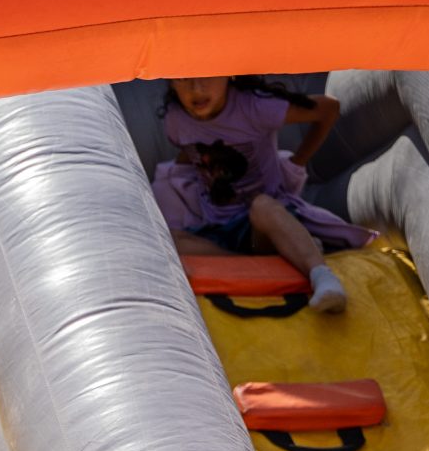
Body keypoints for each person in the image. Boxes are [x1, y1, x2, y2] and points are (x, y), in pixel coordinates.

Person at [156, 75, 371, 315]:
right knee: (166, 240)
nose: (196, 89)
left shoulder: (254, 108)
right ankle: (272, 259)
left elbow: (329, 109)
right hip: (218, 228)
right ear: (171, 82)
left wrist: (297, 163)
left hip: (263, 226)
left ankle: (322, 277)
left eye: (207, 77)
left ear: (229, 75)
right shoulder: (176, 120)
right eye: (183, 79)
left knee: (261, 205)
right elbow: (191, 148)